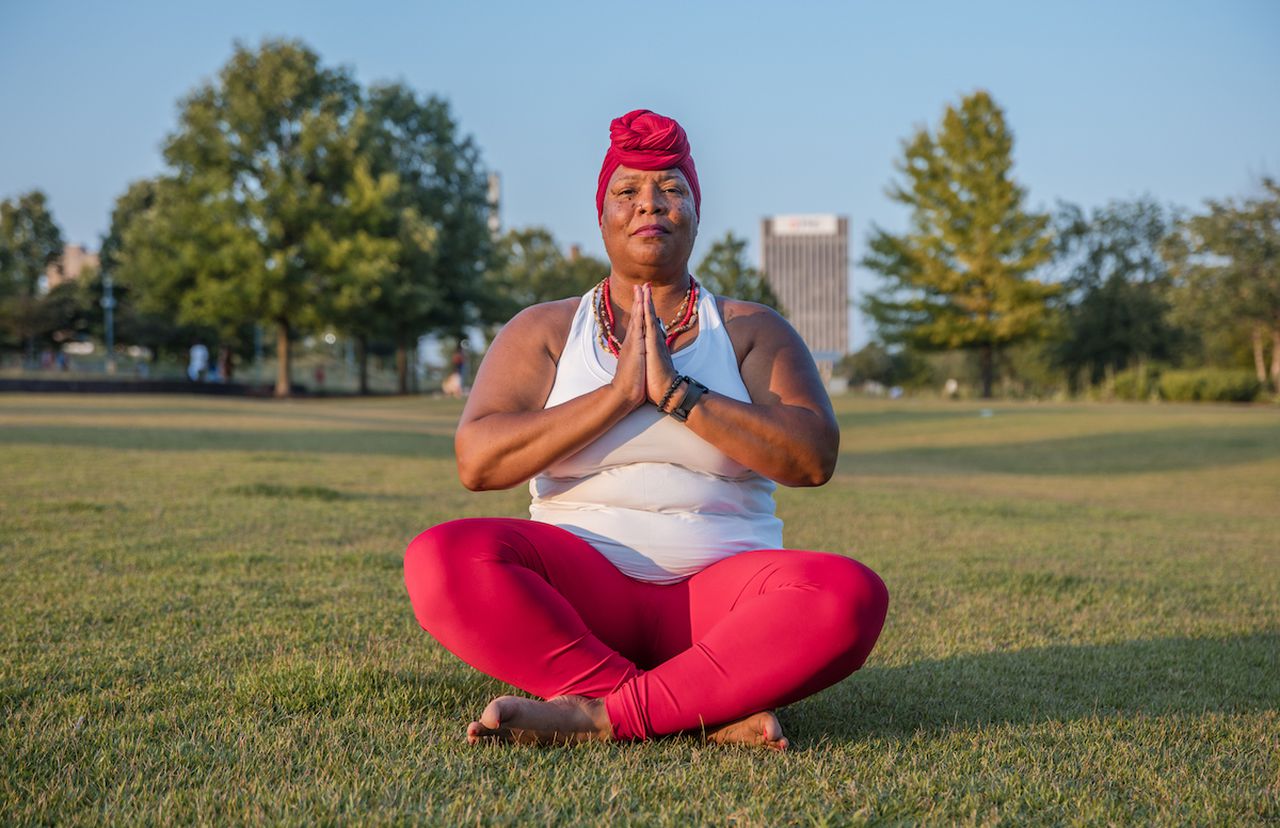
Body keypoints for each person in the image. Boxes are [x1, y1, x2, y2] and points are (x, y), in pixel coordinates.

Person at [404, 109, 888, 750]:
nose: (648, 206)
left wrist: (677, 394)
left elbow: (811, 458)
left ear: (696, 212)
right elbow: (478, 464)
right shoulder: (545, 330)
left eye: (671, 189)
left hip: (722, 610)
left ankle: (602, 715)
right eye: (627, 192)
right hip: (577, 605)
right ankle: (698, 705)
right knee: (440, 559)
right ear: (601, 215)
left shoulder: (750, 329)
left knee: (848, 595)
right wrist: (618, 395)